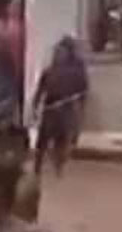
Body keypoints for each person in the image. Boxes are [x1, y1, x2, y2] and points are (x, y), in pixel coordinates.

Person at [31, 35, 89, 177]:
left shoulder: (77, 70)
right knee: (42, 141)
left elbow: (83, 91)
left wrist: (80, 110)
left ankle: (59, 167)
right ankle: (37, 167)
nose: (58, 54)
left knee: (61, 140)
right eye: (57, 51)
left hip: (66, 108)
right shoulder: (50, 70)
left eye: (62, 51)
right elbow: (40, 88)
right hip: (50, 106)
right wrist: (35, 105)